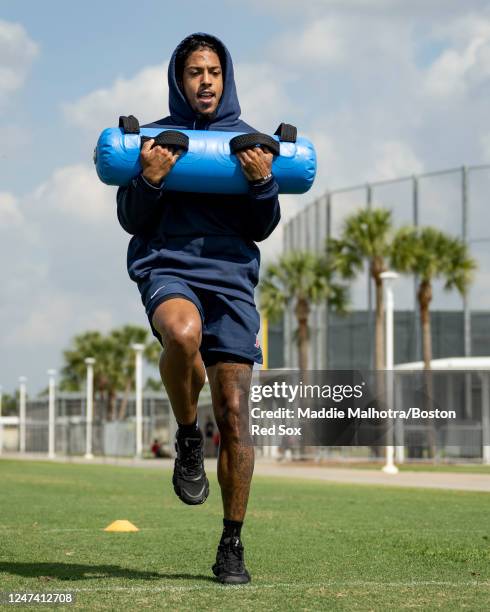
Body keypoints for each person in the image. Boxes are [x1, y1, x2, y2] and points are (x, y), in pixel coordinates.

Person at [117, 32, 280, 584]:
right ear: (178, 80)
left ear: (225, 77)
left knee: (235, 417)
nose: (204, 80)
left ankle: (231, 544)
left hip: (232, 279)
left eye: (212, 71)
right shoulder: (157, 142)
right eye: (193, 72)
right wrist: (149, 178)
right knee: (181, 335)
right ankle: (188, 433)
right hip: (169, 266)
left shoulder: (248, 141)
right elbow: (131, 219)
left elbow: (262, 227)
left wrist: (261, 185)